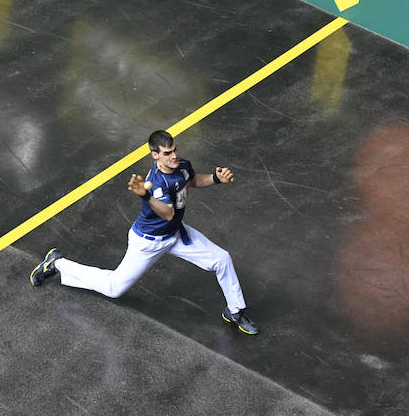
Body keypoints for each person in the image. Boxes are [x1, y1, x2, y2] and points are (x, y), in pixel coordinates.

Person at [30, 130, 258, 335]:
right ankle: (57, 263)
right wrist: (145, 196)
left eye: (175, 150)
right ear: (155, 155)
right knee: (113, 288)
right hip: (148, 242)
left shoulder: (182, 165)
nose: (174, 156)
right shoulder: (156, 183)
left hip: (176, 234)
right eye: (167, 153)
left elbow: (193, 180)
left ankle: (234, 310)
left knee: (222, 258)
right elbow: (168, 213)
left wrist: (216, 178)